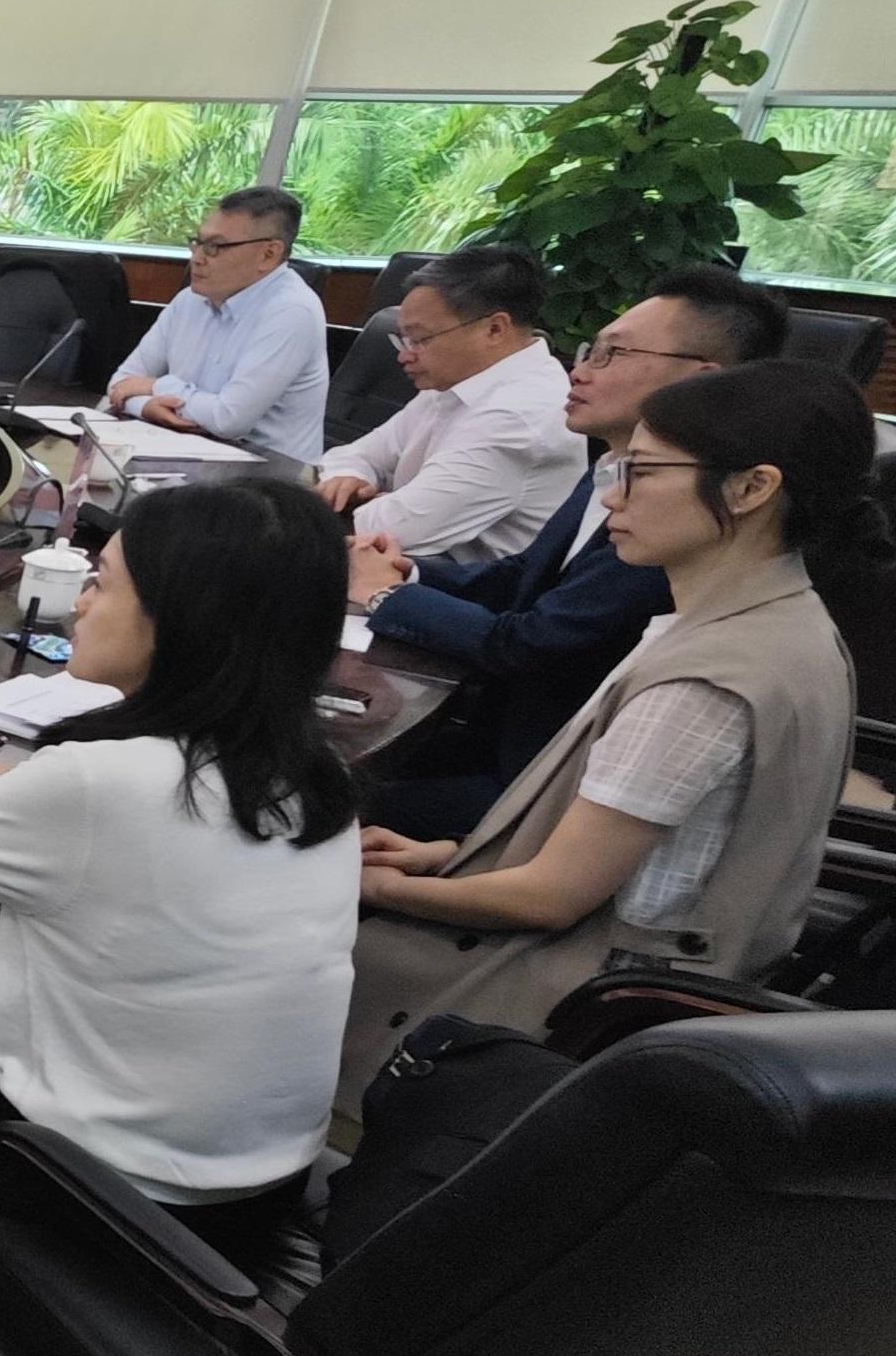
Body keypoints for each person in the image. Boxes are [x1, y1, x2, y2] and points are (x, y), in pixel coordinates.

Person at [0, 476, 364, 1329]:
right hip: (260, 1180)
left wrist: (9, 799)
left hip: (100, 1185)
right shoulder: (317, 775)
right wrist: (5, 793)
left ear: (178, 619)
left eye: (104, 583)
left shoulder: (93, 781)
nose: (79, 605)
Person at [343, 360, 885, 1101]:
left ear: (751, 488)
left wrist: (367, 883)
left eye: (642, 471)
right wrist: (447, 854)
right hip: (637, 963)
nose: (612, 497)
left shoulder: (706, 681)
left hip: (565, 1004)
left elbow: (548, 900)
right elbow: (646, 859)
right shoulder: (785, 621)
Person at [349, 266, 785, 839]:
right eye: (588, 351)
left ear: (700, 380)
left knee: (304, 802)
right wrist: (409, 571)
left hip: (548, 787)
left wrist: (385, 594)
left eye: (611, 355)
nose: (578, 372)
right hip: (494, 736)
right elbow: (524, 577)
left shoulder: (686, 515)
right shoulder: (612, 464)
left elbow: (532, 643)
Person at [312, 244, 579, 566]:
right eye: (403, 339)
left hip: (470, 597)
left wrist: (365, 501)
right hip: (412, 568)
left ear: (494, 329)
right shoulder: (459, 381)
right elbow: (355, 454)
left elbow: (398, 529)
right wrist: (348, 479)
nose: (404, 355)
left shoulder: (519, 416)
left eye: (420, 340)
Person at [105, 186, 330, 462]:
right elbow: (121, 382)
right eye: (197, 243)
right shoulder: (189, 301)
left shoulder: (292, 312)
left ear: (268, 255)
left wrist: (155, 387)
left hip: (266, 477)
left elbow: (228, 419)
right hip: (185, 453)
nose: (197, 258)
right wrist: (147, 406)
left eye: (214, 247)